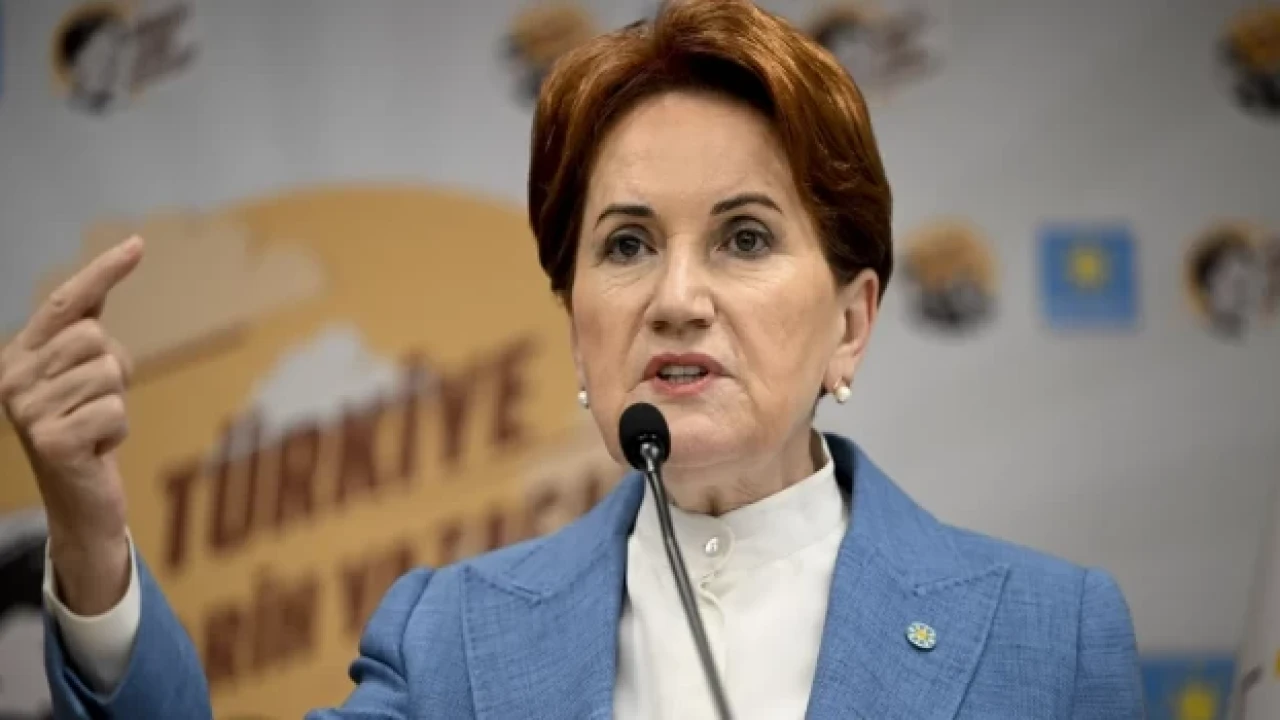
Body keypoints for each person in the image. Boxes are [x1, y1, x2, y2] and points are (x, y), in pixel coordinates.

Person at [1, 1, 1144, 717]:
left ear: (851, 322)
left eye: (744, 238)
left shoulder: (1048, 635)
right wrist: (90, 535)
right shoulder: (452, 640)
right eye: (626, 245)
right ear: (575, 323)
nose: (675, 299)